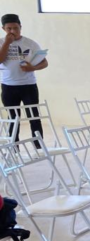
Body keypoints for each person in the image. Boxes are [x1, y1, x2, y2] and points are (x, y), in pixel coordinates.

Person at [0, 14, 49, 145]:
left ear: (20, 27)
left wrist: (33, 67)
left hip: (28, 86)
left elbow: (44, 62)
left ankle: (39, 147)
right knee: (13, 118)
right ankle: (14, 148)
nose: (12, 31)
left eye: (15, 28)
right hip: (8, 86)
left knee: (34, 117)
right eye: (9, 28)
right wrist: (7, 43)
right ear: (3, 28)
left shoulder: (31, 43)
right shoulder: (1, 42)